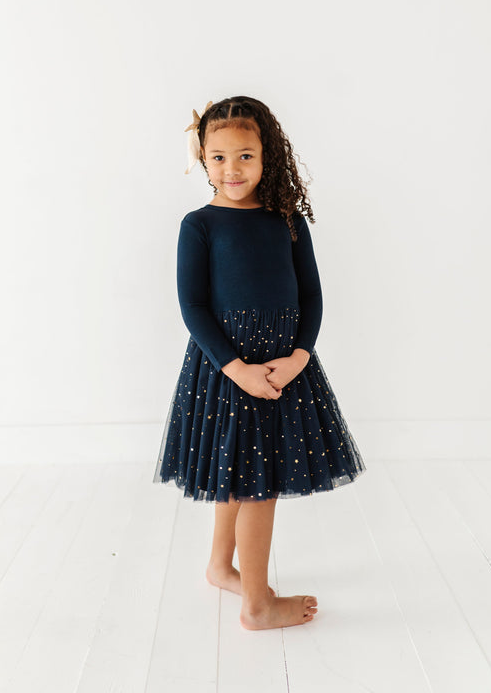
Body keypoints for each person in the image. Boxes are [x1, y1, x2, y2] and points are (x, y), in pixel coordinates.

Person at [153, 95, 367, 630]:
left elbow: (312, 297)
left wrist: (298, 357)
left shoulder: (287, 221)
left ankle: (220, 567)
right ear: (203, 158)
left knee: (245, 473)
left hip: (284, 370)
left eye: (245, 156)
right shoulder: (198, 225)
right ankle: (256, 604)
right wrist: (236, 368)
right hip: (226, 371)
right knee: (253, 483)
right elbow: (193, 306)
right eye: (219, 157)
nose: (232, 169)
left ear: (267, 155)